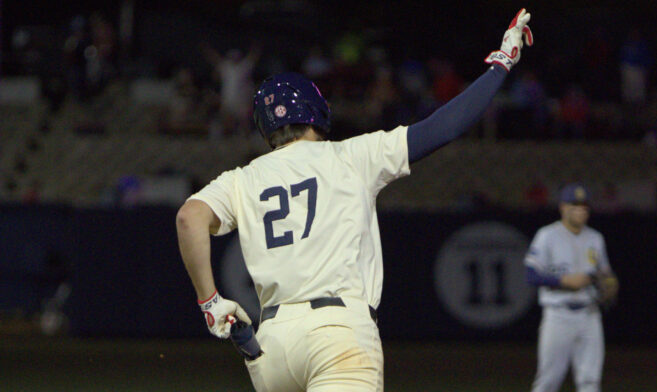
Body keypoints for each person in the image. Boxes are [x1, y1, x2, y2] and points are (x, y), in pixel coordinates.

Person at [176, 9, 533, 392]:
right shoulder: (352, 155)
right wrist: (501, 64)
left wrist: (209, 302)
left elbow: (189, 217)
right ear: (315, 112)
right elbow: (444, 127)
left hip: (273, 343)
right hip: (338, 333)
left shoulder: (243, 179)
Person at [525, 183, 619, 392]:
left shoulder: (595, 238)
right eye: (574, 205)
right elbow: (531, 275)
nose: (580, 210)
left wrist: (609, 281)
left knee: (590, 382)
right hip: (558, 316)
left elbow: (604, 273)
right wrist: (564, 281)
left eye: (584, 206)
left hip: (589, 315)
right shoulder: (547, 235)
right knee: (548, 382)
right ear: (563, 207)